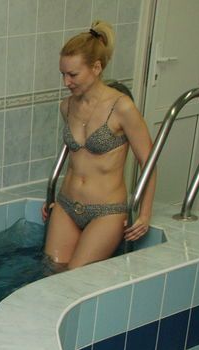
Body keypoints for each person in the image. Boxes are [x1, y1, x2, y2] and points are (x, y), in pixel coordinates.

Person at [43, 20, 156, 270]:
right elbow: (77, 160)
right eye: (63, 74)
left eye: (73, 74)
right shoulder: (67, 106)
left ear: (96, 67)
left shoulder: (122, 107)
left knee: (76, 276)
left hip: (106, 211)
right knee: (51, 272)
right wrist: (53, 199)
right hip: (66, 204)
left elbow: (148, 161)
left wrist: (144, 214)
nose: (66, 82)